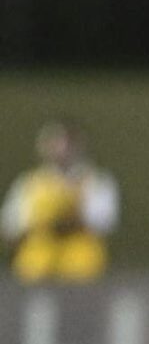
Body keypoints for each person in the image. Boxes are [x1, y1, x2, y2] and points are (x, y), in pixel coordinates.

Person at [1, 119, 119, 284]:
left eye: (67, 143)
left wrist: (70, 217)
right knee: (31, 268)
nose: (61, 149)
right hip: (39, 256)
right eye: (54, 142)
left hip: (80, 256)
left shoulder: (95, 181)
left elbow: (104, 222)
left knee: (83, 269)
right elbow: (10, 227)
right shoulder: (29, 183)